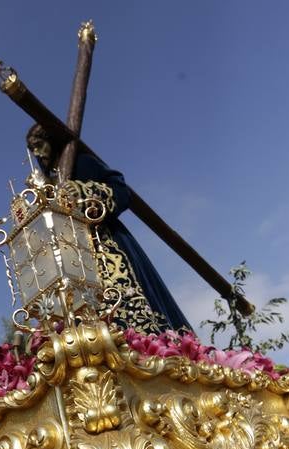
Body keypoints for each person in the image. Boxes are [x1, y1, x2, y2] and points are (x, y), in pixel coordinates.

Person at [26, 123, 193, 333]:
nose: (38, 153)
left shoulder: (82, 164)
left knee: (129, 317)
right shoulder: (49, 185)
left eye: (40, 145)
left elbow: (121, 190)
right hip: (73, 265)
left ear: (53, 142)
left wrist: (82, 192)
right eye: (33, 150)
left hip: (107, 249)